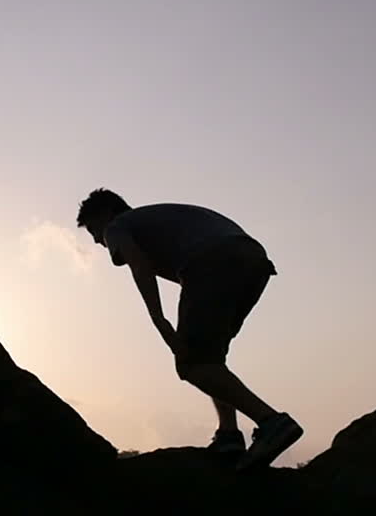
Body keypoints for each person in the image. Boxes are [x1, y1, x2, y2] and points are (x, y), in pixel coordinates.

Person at [75, 187, 302, 470]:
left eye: (94, 230)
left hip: (212, 261)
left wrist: (160, 321)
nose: (98, 240)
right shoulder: (155, 218)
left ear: (105, 214)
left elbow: (140, 265)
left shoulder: (118, 225)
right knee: (210, 360)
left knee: (191, 362)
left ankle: (272, 422)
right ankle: (229, 434)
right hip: (253, 260)